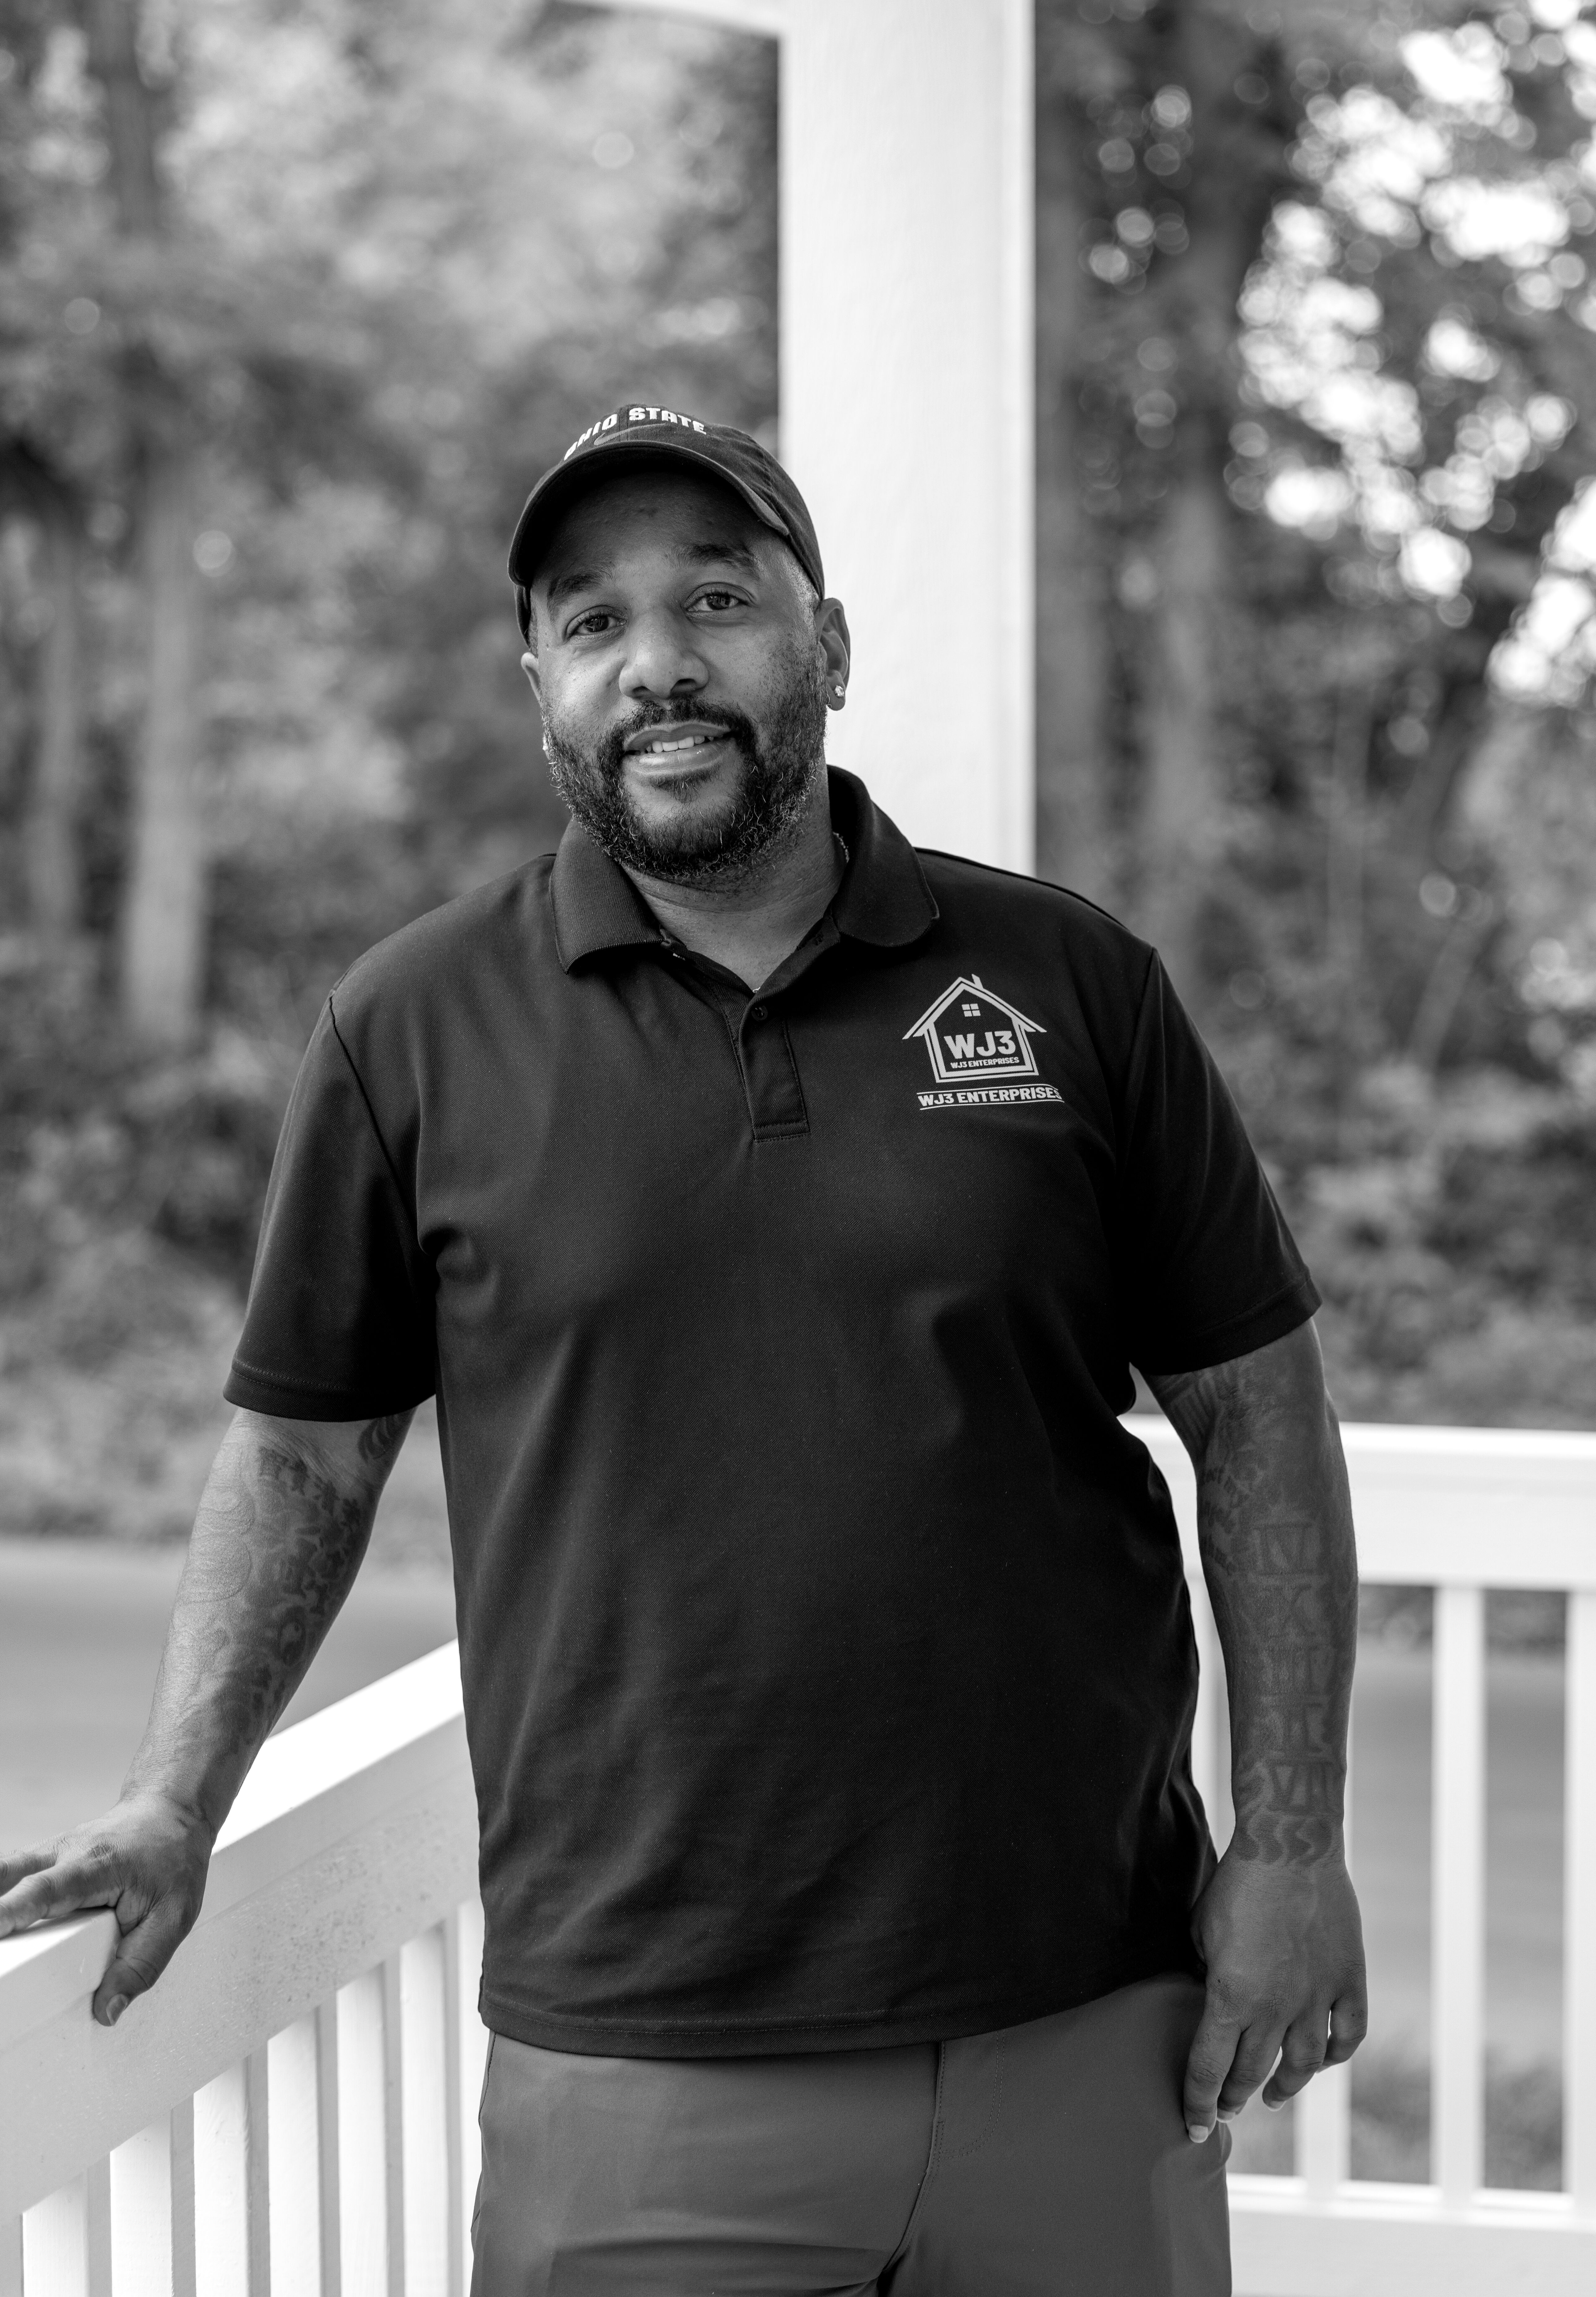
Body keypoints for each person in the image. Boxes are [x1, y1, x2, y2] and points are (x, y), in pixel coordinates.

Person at [0, 407, 1365, 2294]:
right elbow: (303, 1455)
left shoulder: (1069, 984)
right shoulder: (411, 1029)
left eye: (716, 600)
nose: (656, 663)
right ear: (540, 691)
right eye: (592, 620)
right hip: (638, 2060)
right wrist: (177, 1792)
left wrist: (1288, 1845)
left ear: (827, 645)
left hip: (1084, 2011)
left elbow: (1255, 1406)